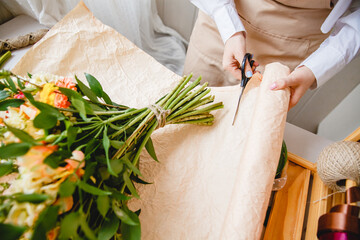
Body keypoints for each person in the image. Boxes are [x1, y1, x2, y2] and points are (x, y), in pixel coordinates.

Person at [184, 0, 360, 109]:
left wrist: (314, 69)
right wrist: (229, 28)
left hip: (297, 37)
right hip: (220, 16)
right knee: (186, 102)